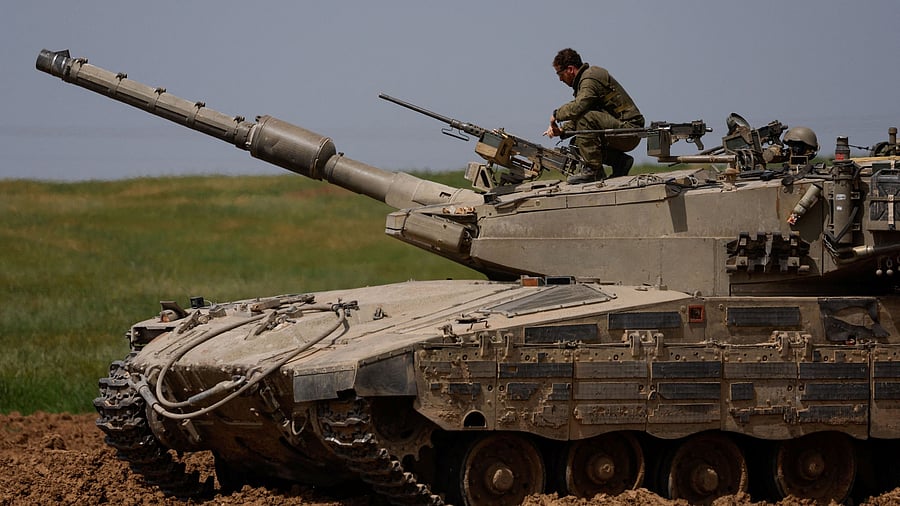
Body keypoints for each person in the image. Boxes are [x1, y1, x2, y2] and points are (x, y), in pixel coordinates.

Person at [543, 48, 645, 183]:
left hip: (629, 131)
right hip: (622, 131)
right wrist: (562, 130)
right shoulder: (585, 80)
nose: (560, 79)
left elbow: (579, 108)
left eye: (560, 74)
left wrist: (556, 114)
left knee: (586, 119)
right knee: (577, 144)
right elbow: (583, 113)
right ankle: (620, 161)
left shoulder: (589, 78)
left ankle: (593, 171)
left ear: (570, 69)